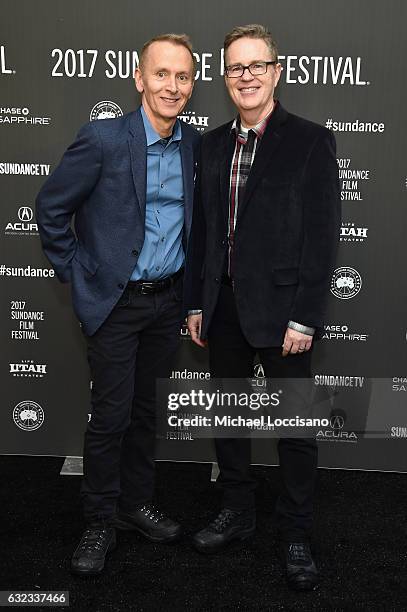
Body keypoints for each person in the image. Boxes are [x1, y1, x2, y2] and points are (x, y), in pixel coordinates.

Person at [36, 33, 200, 576]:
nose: (171, 86)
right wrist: (78, 276)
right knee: (110, 416)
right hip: (114, 304)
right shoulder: (103, 139)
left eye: (182, 77)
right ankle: (100, 519)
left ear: (191, 85)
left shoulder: (194, 145)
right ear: (140, 78)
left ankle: (134, 504)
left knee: (146, 414)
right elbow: (51, 208)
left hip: (166, 304)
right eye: (161, 74)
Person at [185, 24, 340, 591]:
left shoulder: (309, 140)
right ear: (225, 78)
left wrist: (306, 316)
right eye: (234, 68)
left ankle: (297, 530)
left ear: (276, 71)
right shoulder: (212, 143)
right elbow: (205, 233)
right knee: (227, 415)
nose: (245, 76)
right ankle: (237, 511)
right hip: (222, 306)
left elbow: (322, 239)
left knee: (296, 427)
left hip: (283, 314)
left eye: (256, 65)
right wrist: (198, 302)